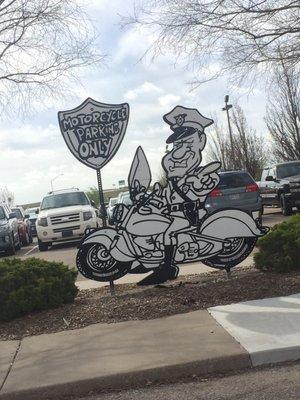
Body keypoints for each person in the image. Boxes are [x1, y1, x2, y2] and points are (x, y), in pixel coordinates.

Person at [138, 106, 221, 286]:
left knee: (167, 233)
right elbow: (166, 197)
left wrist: (194, 183)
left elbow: (201, 189)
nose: (179, 152)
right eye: (177, 145)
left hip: (189, 216)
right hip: (174, 214)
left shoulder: (205, 176)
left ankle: (168, 267)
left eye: (187, 144)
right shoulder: (176, 179)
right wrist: (152, 202)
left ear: (201, 141)